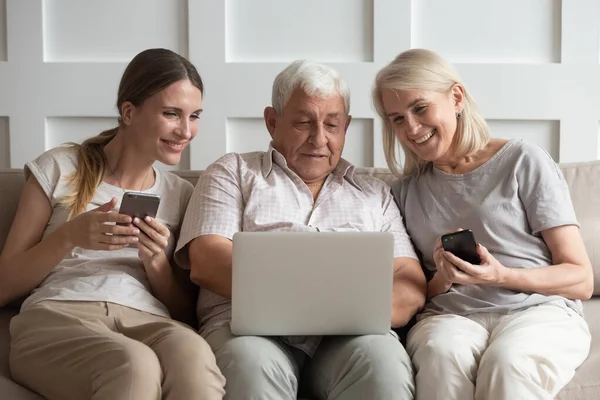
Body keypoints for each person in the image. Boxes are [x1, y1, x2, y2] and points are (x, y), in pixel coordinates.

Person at [174, 59, 427, 400]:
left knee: (384, 363)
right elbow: (208, 261)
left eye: (332, 125)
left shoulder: (374, 194)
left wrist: (334, 310)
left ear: (346, 127)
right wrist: (333, 297)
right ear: (272, 121)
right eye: (304, 123)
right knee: (250, 364)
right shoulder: (232, 172)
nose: (318, 139)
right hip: (248, 334)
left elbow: (409, 284)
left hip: (348, 338)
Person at [0, 48, 225, 400]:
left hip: (147, 318)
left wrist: (156, 264)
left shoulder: (181, 193)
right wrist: (69, 236)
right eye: (171, 113)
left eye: (194, 115)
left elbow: (185, 310)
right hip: (60, 315)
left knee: (194, 355)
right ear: (128, 112)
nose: (186, 130)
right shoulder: (60, 168)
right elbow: (4, 285)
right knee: (134, 364)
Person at [372, 48, 593, 400]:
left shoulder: (522, 160)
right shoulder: (403, 192)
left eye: (420, 108)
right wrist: (443, 277)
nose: (411, 128)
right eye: (397, 118)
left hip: (536, 310)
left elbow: (581, 278)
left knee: (509, 362)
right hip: (451, 318)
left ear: (456, 97)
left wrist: (501, 275)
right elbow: (417, 292)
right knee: (441, 355)